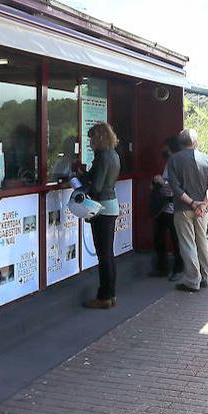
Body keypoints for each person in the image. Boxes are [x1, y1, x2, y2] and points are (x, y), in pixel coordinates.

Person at [168, 128, 208, 293]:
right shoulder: (207, 159)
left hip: (183, 208)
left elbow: (175, 187)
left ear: (180, 143)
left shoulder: (174, 160)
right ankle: (205, 276)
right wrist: (203, 204)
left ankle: (192, 280)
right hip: (202, 210)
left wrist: (192, 203)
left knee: (187, 243)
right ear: (195, 142)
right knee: (202, 241)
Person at [78, 122, 121, 309]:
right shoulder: (114, 155)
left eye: (92, 138)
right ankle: (111, 295)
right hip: (111, 205)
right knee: (108, 254)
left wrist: (82, 178)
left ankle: (104, 297)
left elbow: (96, 186)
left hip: (101, 207)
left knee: (103, 255)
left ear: (99, 138)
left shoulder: (102, 156)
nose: (90, 143)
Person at [150, 135, 184, 279]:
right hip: (165, 206)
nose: (162, 149)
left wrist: (162, 182)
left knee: (175, 240)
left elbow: (177, 185)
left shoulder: (176, 162)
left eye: (164, 147)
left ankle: (177, 268)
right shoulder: (169, 162)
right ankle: (163, 267)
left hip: (172, 206)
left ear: (170, 148)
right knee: (160, 237)